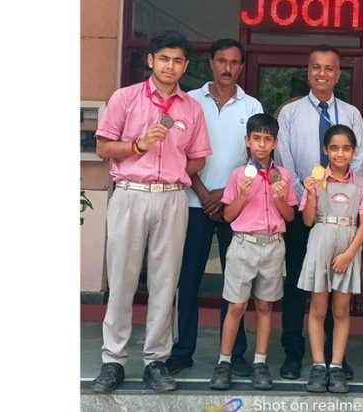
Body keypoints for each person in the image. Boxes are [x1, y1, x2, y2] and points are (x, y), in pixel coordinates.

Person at [90, 31, 211, 393]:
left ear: (185, 66)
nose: (170, 66)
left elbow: (199, 159)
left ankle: (156, 361)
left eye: (177, 61)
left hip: (172, 198)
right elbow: (102, 147)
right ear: (151, 60)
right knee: (122, 279)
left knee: (165, 281)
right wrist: (138, 145)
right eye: (164, 59)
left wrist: (170, 171)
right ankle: (113, 359)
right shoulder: (125, 98)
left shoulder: (191, 108)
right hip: (130, 193)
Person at [167, 38, 263, 378]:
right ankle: (181, 351)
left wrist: (223, 194)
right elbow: (178, 154)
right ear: (210, 62)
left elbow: (256, 159)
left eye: (234, 62)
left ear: (241, 67)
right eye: (221, 61)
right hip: (193, 203)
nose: (227, 68)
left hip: (235, 207)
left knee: (235, 284)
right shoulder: (189, 102)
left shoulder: (252, 106)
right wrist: (204, 192)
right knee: (188, 279)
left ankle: (233, 354)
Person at [275, 44, 363, 380]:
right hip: (304, 211)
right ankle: (293, 351)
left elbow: (357, 161)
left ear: (338, 74)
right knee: (300, 283)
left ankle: (332, 355)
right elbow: (284, 159)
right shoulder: (290, 113)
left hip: (339, 214)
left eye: (329, 68)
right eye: (316, 67)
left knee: (334, 284)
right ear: (308, 71)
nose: (322, 74)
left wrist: (334, 198)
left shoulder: (351, 114)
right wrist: (306, 199)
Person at [209, 113, 297, 390]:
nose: (261, 144)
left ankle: (260, 362)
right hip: (244, 243)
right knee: (236, 305)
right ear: (247, 141)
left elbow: (290, 217)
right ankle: (224, 361)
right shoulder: (238, 176)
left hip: (272, 245)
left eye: (267, 139)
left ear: (275, 143)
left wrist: (280, 197)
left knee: (265, 305)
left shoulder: (283, 176)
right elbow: (228, 216)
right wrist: (243, 195)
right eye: (256, 139)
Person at [298, 125, 363, 394]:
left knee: (341, 309)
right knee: (318, 309)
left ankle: (337, 365)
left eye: (346, 148)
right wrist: (308, 193)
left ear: (354, 151)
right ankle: (319, 365)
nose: (340, 153)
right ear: (325, 150)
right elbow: (308, 220)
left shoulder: (361, 183)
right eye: (334, 148)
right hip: (320, 242)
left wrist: (350, 254)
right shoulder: (317, 180)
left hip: (348, 246)